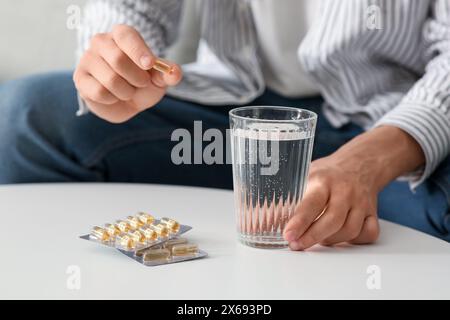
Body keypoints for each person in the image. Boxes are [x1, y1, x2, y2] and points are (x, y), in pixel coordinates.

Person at [0, 0, 449, 249]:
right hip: (230, 125)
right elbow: (135, 10)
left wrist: (370, 160)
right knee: (27, 117)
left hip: (387, 129)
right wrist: (117, 68)